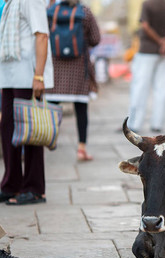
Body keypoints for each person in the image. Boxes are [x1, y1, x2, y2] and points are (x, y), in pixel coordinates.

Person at [0, 0, 54, 205]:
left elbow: (41, 36)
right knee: (8, 129)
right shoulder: (10, 2)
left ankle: (34, 188)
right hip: (9, 76)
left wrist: (39, 76)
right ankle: (11, 184)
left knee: (31, 132)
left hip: (27, 76)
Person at [45, 0, 100, 161]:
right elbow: (96, 39)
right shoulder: (85, 12)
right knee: (81, 109)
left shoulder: (51, 11)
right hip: (78, 68)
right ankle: (81, 148)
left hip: (56, 68)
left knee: (51, 107)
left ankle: (46, 141)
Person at [126, 0, 165, 133]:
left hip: (146, 51)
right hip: (163, 53)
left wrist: (159, 41)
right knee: (161, 89)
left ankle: (135, 123)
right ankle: (157, 123)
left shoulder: (147, 4)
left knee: (140, 87)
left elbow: (145, 26)